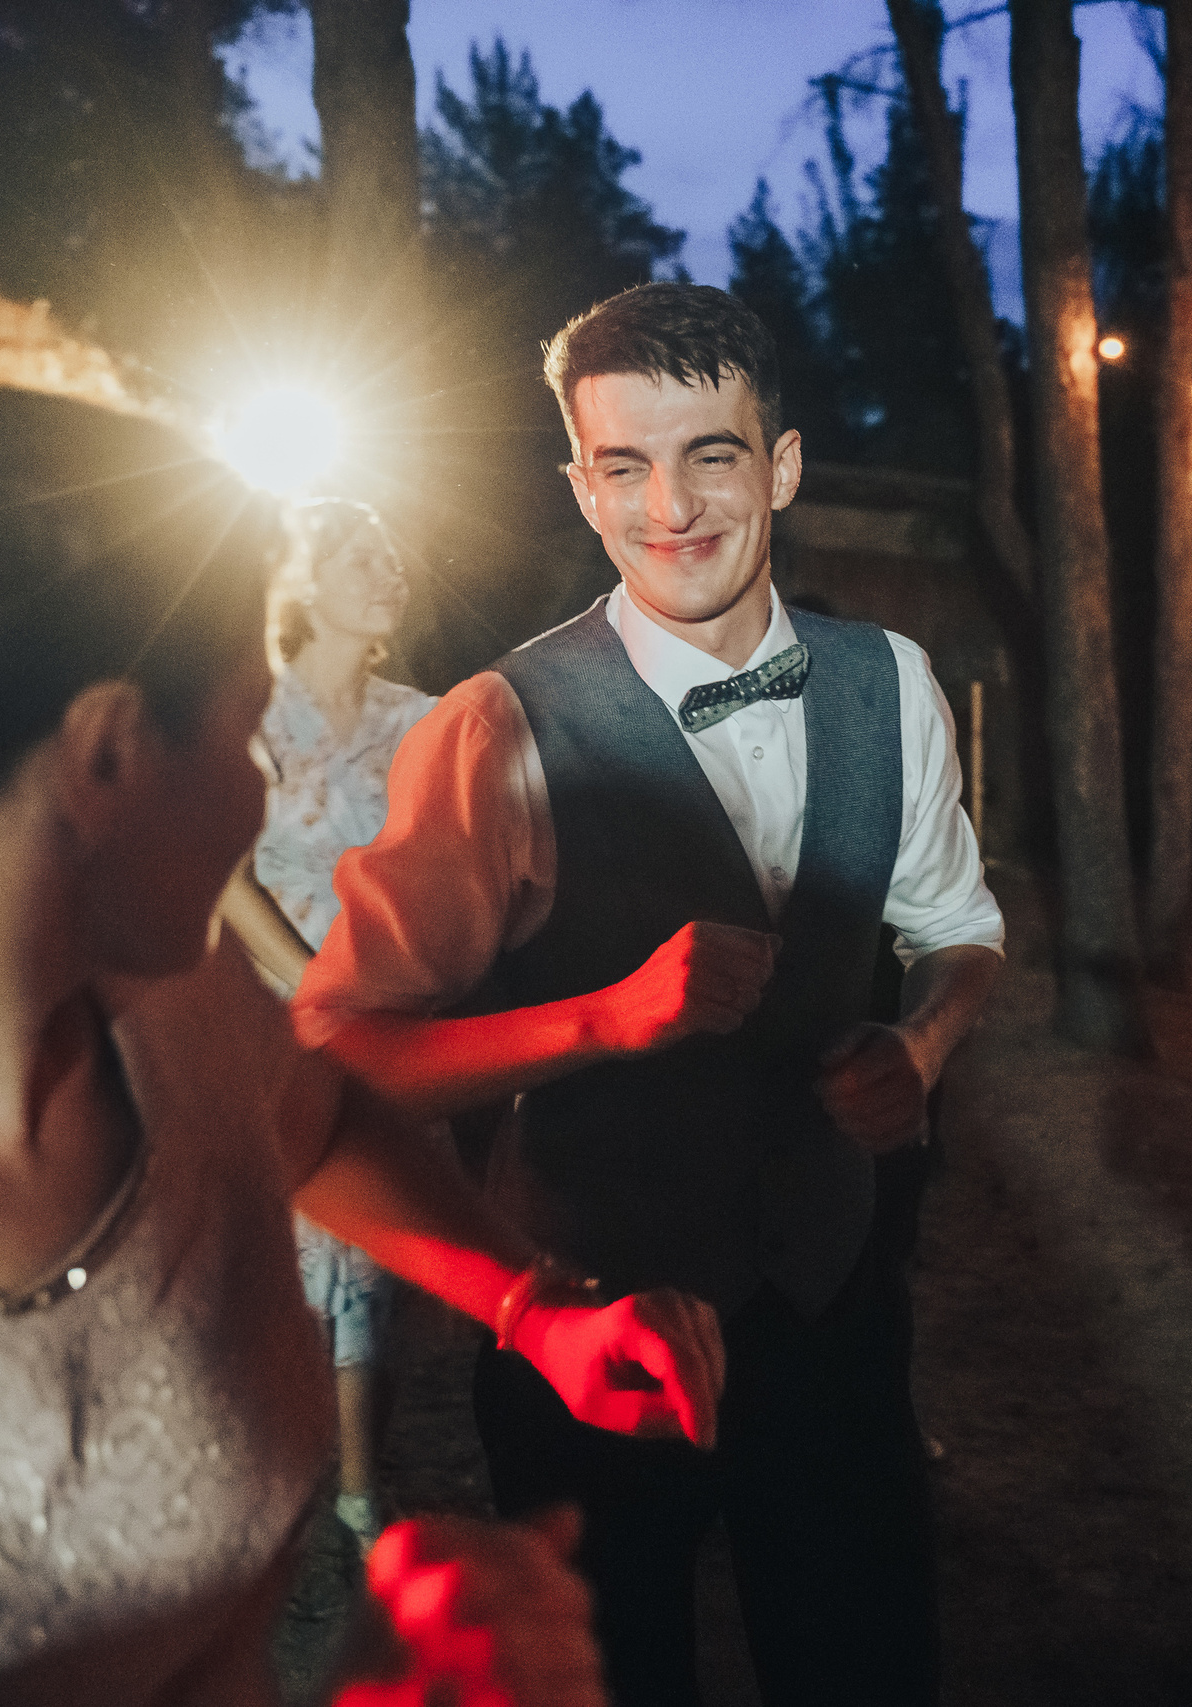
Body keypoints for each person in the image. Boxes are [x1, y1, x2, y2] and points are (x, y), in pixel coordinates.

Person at [0, 277, 718, 1704]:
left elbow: (314, 1113)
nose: (262, 789)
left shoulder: (165, 1002)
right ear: (101, 756)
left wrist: (534, 1303)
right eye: (240, 728)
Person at [294, 280, 1005, 1707]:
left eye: (711, 455)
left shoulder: (896, 683)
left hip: (832, 1304)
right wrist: (600, 1018)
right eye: (624, 464)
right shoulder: (493, 730)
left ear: (784, 465)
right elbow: (335, 1061)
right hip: (588, 1320)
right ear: (580, 485)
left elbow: (960, 928)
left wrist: (921, 1046)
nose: (669, 506)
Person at [218, 497, 438, 1549]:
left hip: (386, 1023)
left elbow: (456, 874)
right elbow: (219, 872)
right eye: (358, 554)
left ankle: (344, 1488)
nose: (385, 568)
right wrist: (312, 988)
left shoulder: (425, 724)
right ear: (301, 582)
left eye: (388, 552)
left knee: (373, 1256)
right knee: (298, 1247)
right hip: (263, 1017)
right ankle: (316, 1492)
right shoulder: (245, 715)